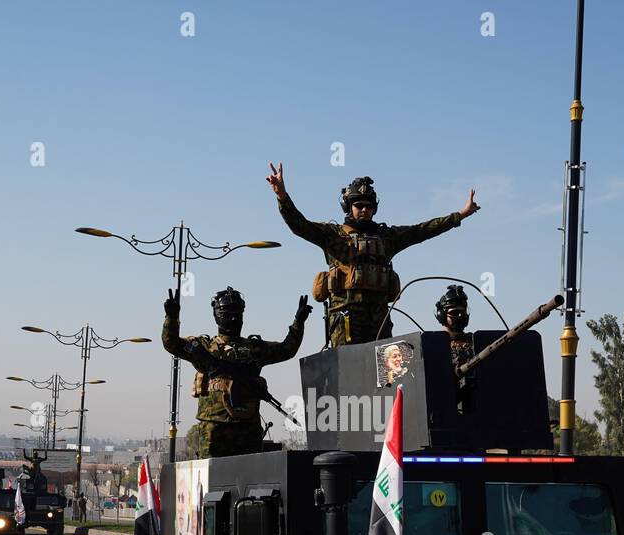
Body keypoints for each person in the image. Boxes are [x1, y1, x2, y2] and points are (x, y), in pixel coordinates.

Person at [266, 164, 479, 347]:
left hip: (379, 319)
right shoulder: (333, 236)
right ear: (348, 206)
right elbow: (299, 225)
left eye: (368, 206)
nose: (364, 210)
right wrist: (282, 196)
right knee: (348, 373)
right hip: (345, 319)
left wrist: (460, 215)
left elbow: (422, 230)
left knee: (384, 374)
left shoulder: (386, 237)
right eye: (359, 205)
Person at [162, 286, 310, 457]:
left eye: (237, 314)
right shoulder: (204, 347)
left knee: (252, 476)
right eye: (227, 313)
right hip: (214, 427)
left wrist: (298, 322)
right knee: (212, 477)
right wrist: (172, 318)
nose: (233, 318)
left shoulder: (254, 348)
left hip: (248, 426)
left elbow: (286, 350)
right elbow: (171, 343)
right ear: (216, 315)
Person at [435, 284, 474, 373]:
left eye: (462, 312)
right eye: (454, 312)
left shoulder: (474, 341)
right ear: (442, 316)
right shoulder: (434, 344)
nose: (460, 316)